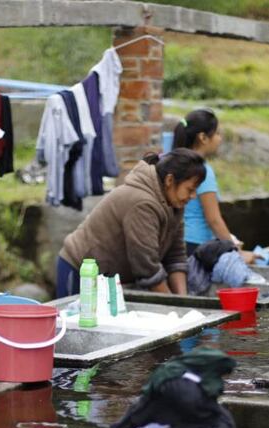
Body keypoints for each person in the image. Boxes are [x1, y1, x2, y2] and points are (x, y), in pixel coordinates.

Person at [56, 148, 205, 298]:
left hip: (109, 280)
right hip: (80, 271)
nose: (192, 196)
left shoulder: (174, 203)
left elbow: (176, 256)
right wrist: (175, 308)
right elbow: (147, 267)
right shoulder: (141, 202)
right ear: (170, 180)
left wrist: (183, 301)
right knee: (75, 320)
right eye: (190, 189)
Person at [172, 109, 253, 263]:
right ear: (203, 137)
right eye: (217, 133)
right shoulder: (203, 171)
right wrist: (236, 251)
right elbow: (213, 219)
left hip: (178, 242)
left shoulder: (176, 163)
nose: (220, 139)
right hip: (197, 246)